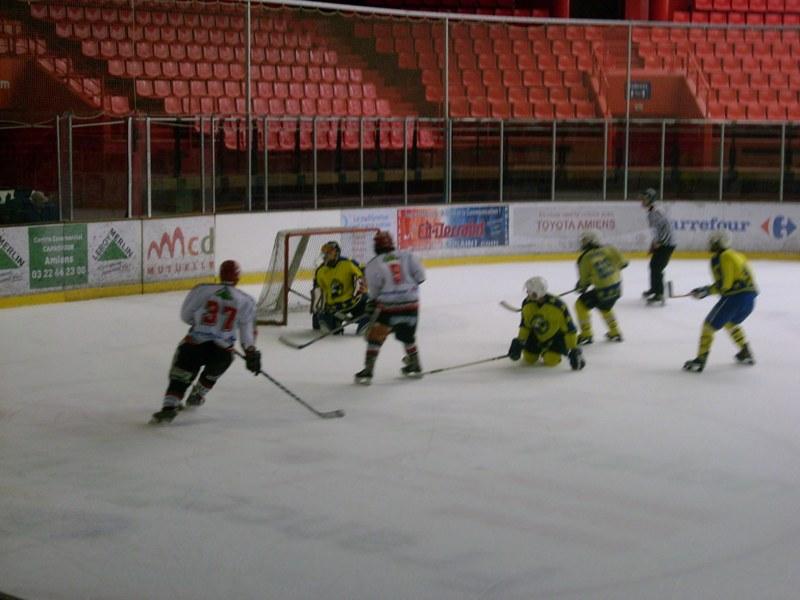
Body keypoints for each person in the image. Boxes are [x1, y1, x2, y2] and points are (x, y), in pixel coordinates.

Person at [151, 260, 261, 423]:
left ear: (220, 274)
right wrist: (250, 352)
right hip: (222, 351)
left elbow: (185, 316)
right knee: (214, 371)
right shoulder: (246, 301)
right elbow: (247, 333)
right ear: (238, 278)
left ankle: (169, 407)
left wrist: (199, 323)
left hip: (195, 344)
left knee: (181, 375)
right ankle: (198, 394)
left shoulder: (201, 290)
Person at [355, 230, 426, 384]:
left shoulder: (373, 264)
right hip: (411, 304)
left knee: (375, 337)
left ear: (376, 246)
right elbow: (421, 277)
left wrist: (374, 302)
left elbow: (375, 292)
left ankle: (368, 371)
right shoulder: (407, 255)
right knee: (407, 336)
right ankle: (415, 364)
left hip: (388, 307)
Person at [683, 230, 758, 373]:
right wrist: (707, 290)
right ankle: (745, 351)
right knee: (731, 323)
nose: (710, 244)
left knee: (708, 326)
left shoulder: (723, 256)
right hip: (750, 299)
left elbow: (725, 285)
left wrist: (706, 291)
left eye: (713, 242)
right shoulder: (737, 254)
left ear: (719, 243)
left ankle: (700, 360)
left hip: (734, 298)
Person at [508, 276, 586, 371]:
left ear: (537, 292)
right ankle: (540, 349)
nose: (527, 293)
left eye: (529, 291)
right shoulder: (527, 303)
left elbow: (569, 330)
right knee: (529, 359)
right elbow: (525, 325)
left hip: (555, 337)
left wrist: (573, 349)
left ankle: (547, 351)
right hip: (536, 334)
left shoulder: (558, 307)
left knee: (551, 360)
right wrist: (520, 341)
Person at [574, 230, 628, 345]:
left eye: (584, 240)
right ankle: (615, 331)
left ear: (591, 240)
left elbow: (583, 281)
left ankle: (586, 334)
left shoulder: (585, 257)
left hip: (602, 291)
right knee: (605, 306)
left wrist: (581, 287)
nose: (583, 243)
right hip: (617, 289)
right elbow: (624, 263)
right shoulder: (610, 248)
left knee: (580, 304)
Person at [311, 240, 370, 335]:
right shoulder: (320, 271)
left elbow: (363, 275)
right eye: (325, 253)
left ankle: (367, 321)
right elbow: (318, 295)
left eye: (329, 253)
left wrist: (363, 282)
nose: (326, 255)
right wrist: (316, 318)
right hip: (335, 308)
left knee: (370, 306)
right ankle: (335, 322)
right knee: (326, 328)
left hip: (354, 302)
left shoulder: (348, 264)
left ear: (337, 253)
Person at [640, 187, 675, 305]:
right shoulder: (652, 212)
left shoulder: (656, 212)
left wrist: (660, 242)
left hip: (667, 244)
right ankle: (654, 289)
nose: (642, 201)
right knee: (653, 266)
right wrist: (653, 243)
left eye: (644, 199)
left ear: (650, 199)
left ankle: (659, 293)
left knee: (657, 267)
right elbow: (656, 230)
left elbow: (666, 227)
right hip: (663, 243)